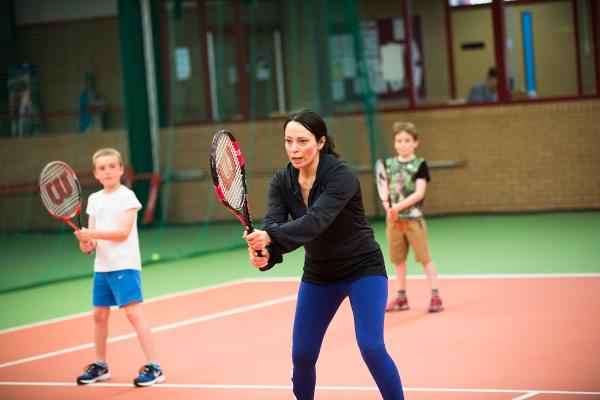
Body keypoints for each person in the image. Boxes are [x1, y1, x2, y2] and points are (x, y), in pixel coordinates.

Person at [244, 109, 404, 400]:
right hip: (319, 274)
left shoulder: (341, 175)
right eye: (288, 141)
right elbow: (273, 224)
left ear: (320, 142)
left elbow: (316, 221)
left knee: (371, 347)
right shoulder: (282, 181)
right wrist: (266, 254)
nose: (294, 148)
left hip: (363, 269)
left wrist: (271, 237)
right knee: (302, 355)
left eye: (302, 141)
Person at [74, 148, 165, 387]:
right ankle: (100, 365)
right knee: (98, 315)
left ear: (121, 169)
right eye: (102, 168)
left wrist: (91, 233)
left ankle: (154, 366)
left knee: (133, 314)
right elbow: (91, 244)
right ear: (96, 173)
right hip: (102, 268)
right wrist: (87, 242)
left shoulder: (127, 197)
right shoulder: (94, 200)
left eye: (112, 166)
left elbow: (122, 233)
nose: (108, 171)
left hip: (125, 264)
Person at [382, 122, 443, 313]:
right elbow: (385, 191)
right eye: (399, 140)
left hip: (414, 221)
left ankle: (435, 297)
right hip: (394, 222)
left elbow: (419, 193)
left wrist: (397, 207)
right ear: (394, 143)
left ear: (415, 143)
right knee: (398, 261)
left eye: (407, 140)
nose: (403, 144)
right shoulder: (389, 164)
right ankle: (401, 299)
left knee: (425, 259)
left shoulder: (420, 165)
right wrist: (388, 208)